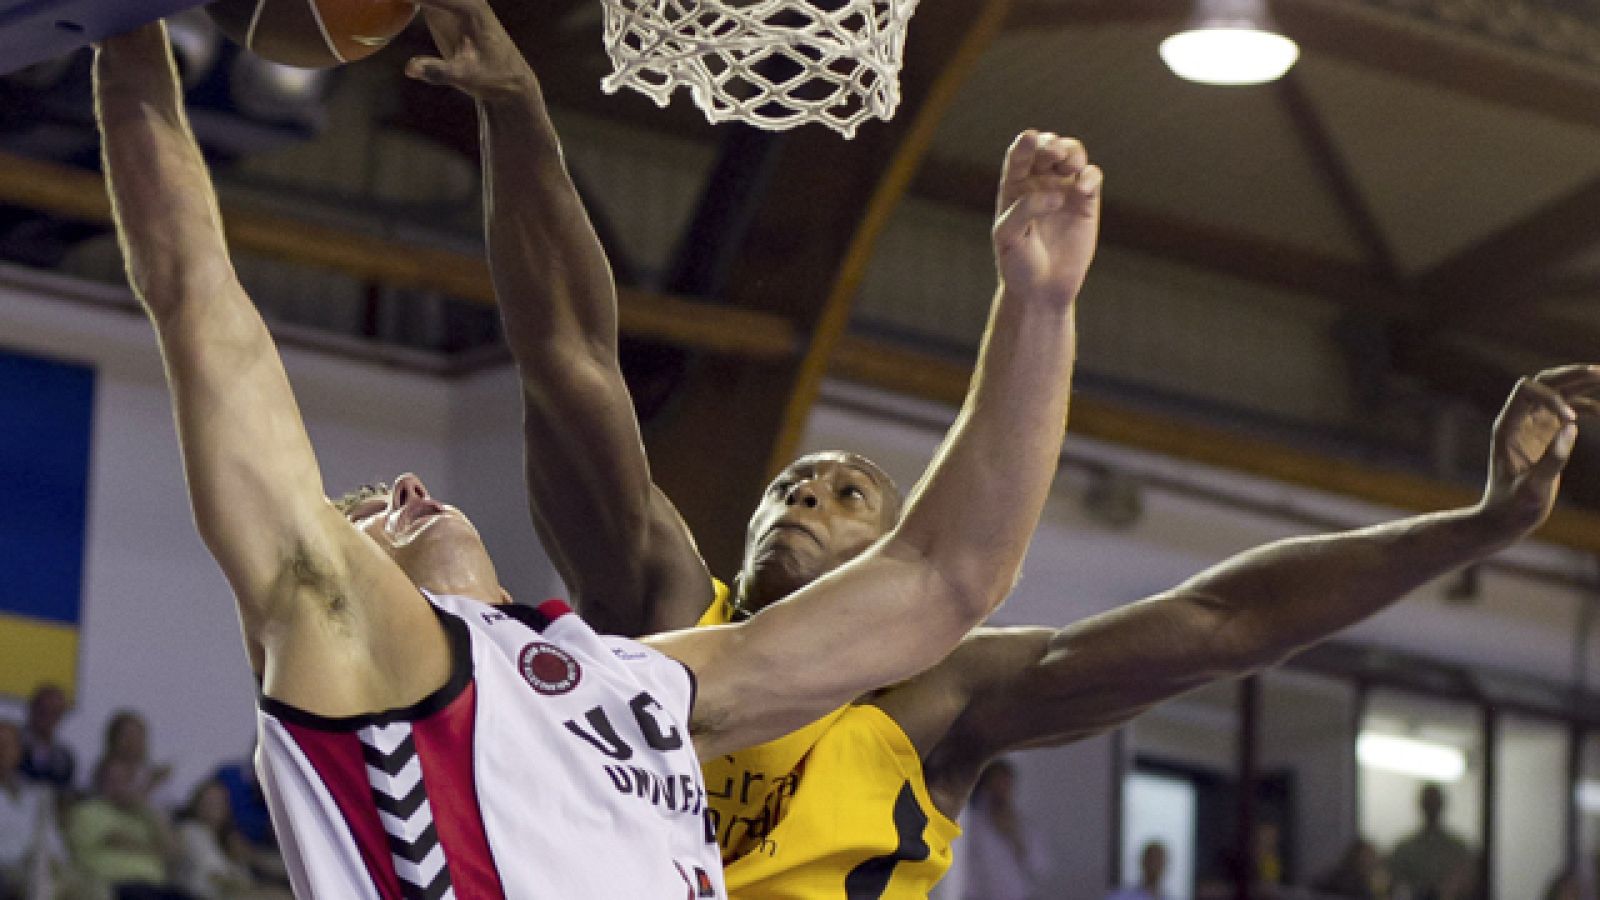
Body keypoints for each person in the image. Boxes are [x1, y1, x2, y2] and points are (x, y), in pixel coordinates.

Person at [416, 0, 1600, 894]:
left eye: (845, 493)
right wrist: (517, 115)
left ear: (895, 554)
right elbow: (570, 358)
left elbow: (1222, 625)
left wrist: (1481, 523)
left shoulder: (942, 701)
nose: (804, 496)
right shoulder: (666, 606)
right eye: (790, 486)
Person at [92, 19, 1080, 898]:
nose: (401, 489)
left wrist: (1037, 307)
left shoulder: (629, 684)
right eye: (367, 514)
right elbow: (196, 297)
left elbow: (947, 578)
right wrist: (123, 39)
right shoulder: (342, 637)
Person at [67, 758, 186, 900]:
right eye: (113, 781)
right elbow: (116, 839)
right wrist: (154, 849)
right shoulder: (89, 810)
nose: (120, 787)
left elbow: (173, 853)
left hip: (156, 886)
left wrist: (148, 808)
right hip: (115, 884)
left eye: (125, 781)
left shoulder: (143, 815)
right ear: (100, 784)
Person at [172, 781, 288, 900]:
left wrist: (251, 857)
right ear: (196, 804)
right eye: (208, 802)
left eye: (219, 802)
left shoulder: (230, 841)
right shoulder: (191, 830)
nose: (213, 808)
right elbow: (213, 877)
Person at [957, 760, 1043, 900]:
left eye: (1005, 785)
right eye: (996, 784)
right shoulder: (971, 825)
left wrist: (1013, 836)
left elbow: (1039, 867)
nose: (1001, 790)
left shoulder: (1023, 826)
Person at [0, 719, 66, 900]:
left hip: (49, 863)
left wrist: (55, 858)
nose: (2, 751)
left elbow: (52, 835)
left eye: (7, 745)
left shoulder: (37, 793)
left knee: (93, 886)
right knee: (38, 879)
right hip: (10, 866)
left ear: (18, 751)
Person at [1387, 784, 1476, 900]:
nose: (1432, 807)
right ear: (1422, 805)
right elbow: (1394, 884)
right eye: (1429, 803)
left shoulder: (1458, 849)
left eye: (1434, 803)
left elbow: (1468, 883)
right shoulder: (1404, 849)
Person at [19, 685, 74, 796]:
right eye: (43, 710)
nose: (47, 716)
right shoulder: (9, 744)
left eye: (54, 712)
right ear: (31, 707)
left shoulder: (65, 758)